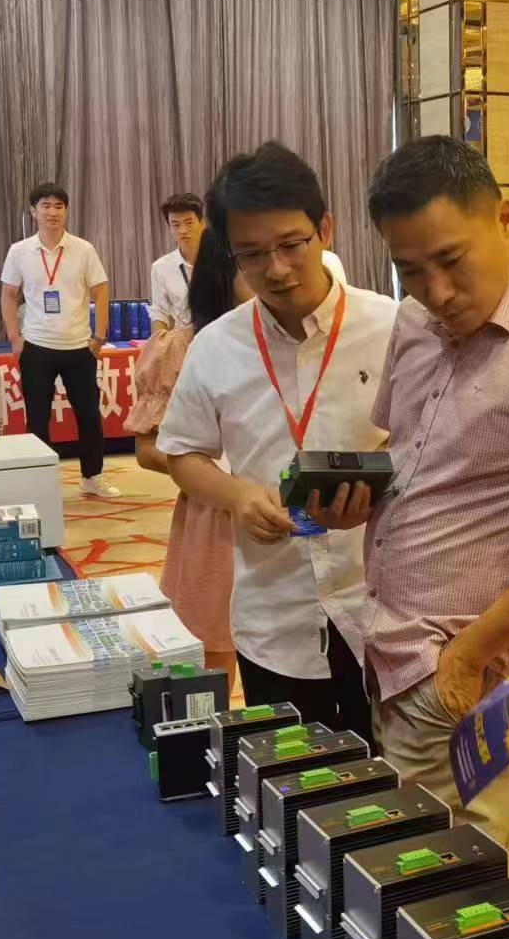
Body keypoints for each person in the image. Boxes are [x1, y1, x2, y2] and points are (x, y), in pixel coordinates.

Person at [326, 136, 509, 849]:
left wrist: (465, 657)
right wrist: (351, 490)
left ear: (502, 217)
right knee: (401, 862)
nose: (436, 291)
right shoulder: (412, 321)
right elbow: (403, 450)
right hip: (389, 644)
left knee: (446, 873)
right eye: (410, 270)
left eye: (451, 260)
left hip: (465, 669)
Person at [155, 143, 395, 737]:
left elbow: (430, 444)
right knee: (290, 776)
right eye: (253, 254)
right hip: (273, 611)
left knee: (387, 778)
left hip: (385, 607)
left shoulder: (392, 327)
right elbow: (182, 453)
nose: (278, 269)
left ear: (325, 229)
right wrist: (237, 495)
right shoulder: (216, 345)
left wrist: (381, 484)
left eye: (292, 245)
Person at [130, 210, 247, 680]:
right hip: (214, 515)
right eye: (248, 263)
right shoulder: (180, 347)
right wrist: (214, 473)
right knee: (214, 651)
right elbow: (147, 451)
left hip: (289, 516)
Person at [0, 182, 118, 499]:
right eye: (46, 206)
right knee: (38, 418)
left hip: (79, 346)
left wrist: (99, 336)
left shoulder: (83, 248)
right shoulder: (19, 251)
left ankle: (92, 476)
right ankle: (40, 482)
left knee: (89, 416)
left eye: (59, 206)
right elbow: (8, 294)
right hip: (36, 346)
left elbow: (101, 291)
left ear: (66, 211)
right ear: (33, 211)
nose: (52, 212)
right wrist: (14, 337)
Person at [147, 193, 204, 335]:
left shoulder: (222, 260)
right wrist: (161, 344)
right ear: (170, 228)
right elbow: (160, 313)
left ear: (202, 224)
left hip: (219, 340)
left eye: (189, 223)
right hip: (184, 341)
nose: (183, 230)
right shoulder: (161, 267)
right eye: (176, 225)